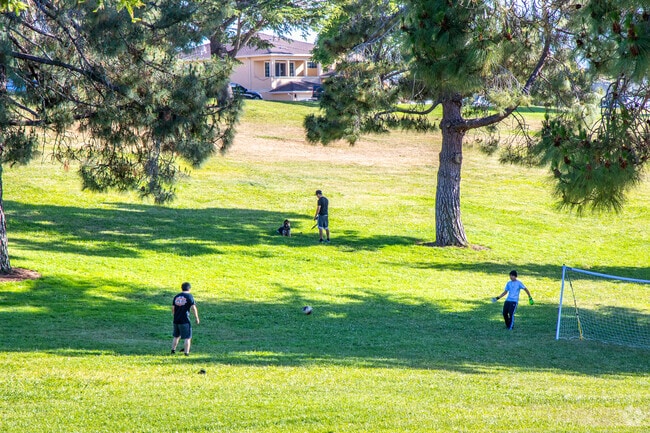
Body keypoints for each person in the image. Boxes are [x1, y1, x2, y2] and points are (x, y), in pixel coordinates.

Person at [171, 282, 200, 355]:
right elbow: (193, 308)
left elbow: (173, 308)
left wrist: (175, 315)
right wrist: (197, 317)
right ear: (189, 288)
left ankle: (173, 350)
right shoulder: (189, 296)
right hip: (185, 320)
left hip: (176, 319)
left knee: (176, 336)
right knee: (187, 337)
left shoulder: (176, 296)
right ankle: (186, 352)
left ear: (182, 288)